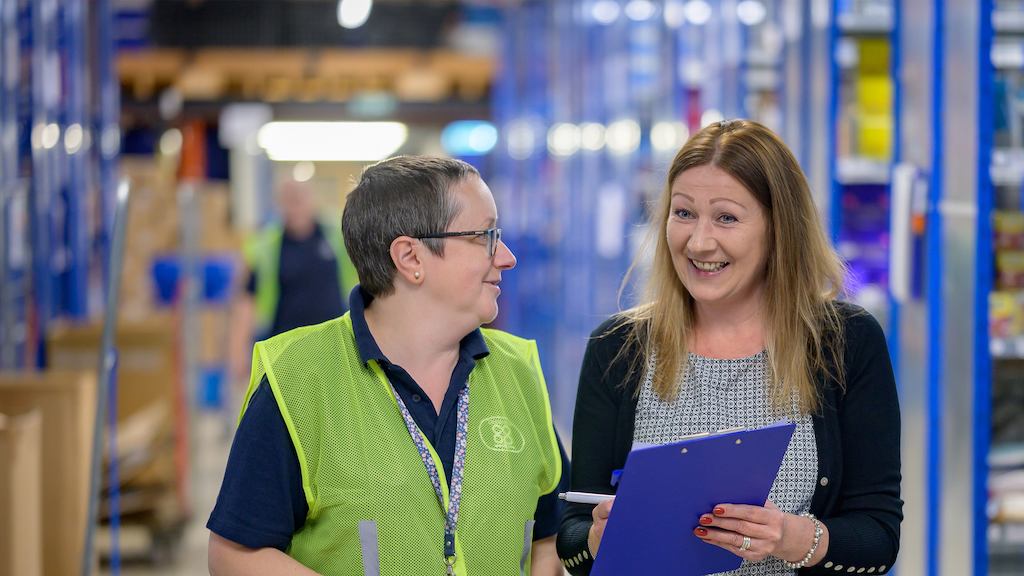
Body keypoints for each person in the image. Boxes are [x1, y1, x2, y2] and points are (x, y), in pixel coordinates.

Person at [556, 120, 902, 575]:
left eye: (727, 217)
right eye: (683, 214)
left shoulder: (844, 343)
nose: (699, 242)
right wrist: (599, 538)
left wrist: (793, 537)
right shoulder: (619, 348)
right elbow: (573, 537)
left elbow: (879, 536)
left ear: (780, 229)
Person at [208, 156, 569, 575]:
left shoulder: (519, 373)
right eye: (484, 236)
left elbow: (548, 534)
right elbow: (234, 555)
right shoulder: (298, 381)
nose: (506, 257)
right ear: (410, 257)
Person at [230, 179, 358, 379]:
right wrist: (238, 350)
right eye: (289, 201)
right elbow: (247, 300)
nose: (294, 207)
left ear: (312, 200)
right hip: (284, 349)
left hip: (333, 347)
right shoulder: (266, 245)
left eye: (299, 199)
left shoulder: (336, 236)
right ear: (280, 204)